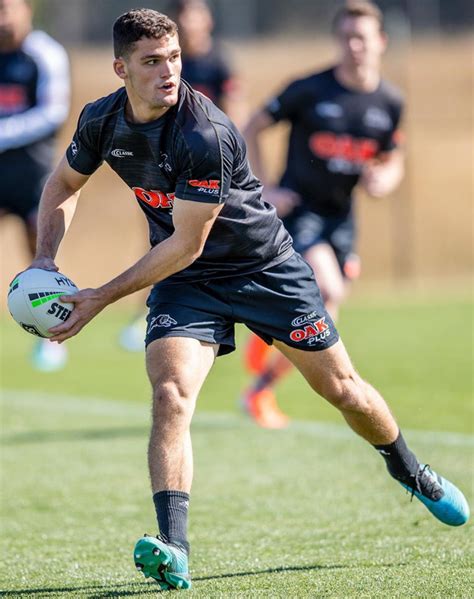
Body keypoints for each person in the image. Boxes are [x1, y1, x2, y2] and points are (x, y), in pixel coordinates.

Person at [28, 8, 468, 591]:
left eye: (175, 58)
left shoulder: (202, 131)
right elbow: (62, 184)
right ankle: (174, 545)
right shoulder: (101, 121)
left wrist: (101, 297)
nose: (169, 72)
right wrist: (44, 259)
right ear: (121, 69)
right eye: (152, 61)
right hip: (190, 285)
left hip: (265, 271)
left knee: (342, 390)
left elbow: (187, 242)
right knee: (170, 393)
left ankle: (411, 470)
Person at [241, 0, 406, 428]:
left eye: (363, 38)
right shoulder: (310, 89)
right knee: (329, 294)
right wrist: (265, 189)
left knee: (326, 309)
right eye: (347, 37)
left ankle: (270, 348)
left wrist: (384, 179)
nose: (354, 46)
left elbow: (392, 158)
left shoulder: (389, 101)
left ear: (380, 43)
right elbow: (252, 126)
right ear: (338, 41)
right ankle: (259, 388)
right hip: (301, 212)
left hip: (342, 218)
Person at [118, 0, 246, 353]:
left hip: (207, 169)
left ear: (207, 20)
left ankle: (229, 312)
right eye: (185, 15)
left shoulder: (218, 61)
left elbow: (233, 113)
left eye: (197, 13)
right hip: (165, 172)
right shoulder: (162, 64)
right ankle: (145, 316)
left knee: (203, 243)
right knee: (163, 244)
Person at [0, 0, 70, 371]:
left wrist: (4, 132)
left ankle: (53, 336)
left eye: (7, 8)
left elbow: (53, 111)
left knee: (40, 256)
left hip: (33, 172)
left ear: (27, 10)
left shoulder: (44, 54)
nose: (3, 18)